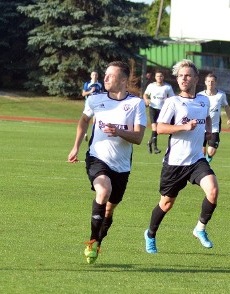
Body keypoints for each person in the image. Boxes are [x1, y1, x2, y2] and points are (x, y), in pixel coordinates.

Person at [68, 61, 147, 264]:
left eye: (110, 76)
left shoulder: (136, 104)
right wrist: (76, 146)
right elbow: (84, 120)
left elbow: (138, 138)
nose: (105, 78)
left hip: (121, 166)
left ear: (123, 80)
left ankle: (99, 240)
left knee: (109, 210)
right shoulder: (95, 99)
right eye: (105, 74)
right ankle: (92, 242)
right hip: (97, 158)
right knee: (103, 191)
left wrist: (118, 131)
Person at [143, 59, 219, 254]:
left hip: (196, 160)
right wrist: (184, 127)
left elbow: (208, 117)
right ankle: (150, 234)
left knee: (213, 190)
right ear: (177, 80)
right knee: (166, 204)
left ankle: (199, 229)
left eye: (187, 75)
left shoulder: (204, 100)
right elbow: (160, 128)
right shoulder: (173, 102)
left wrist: (208, 132)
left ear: (196, 78)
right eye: (180, 76)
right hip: (175, 163)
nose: (183, 79)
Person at [199, 73, 230, 162]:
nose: (210, 83)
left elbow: (226, 106)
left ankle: (208, 158)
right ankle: (202, 165)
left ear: (215, 83)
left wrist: (229, 119)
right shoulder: (200, 95)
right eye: (209, 81)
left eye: (212, 81)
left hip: (214, 126)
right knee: (201, 151)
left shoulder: (221, 95)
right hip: (201, 126)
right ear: (205, 82)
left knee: (211, 151)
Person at [143, 70, 175, 154]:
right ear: (155, 77)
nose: (159, 78)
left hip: (163, 110)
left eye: (161, 76)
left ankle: (150, 142)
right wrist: (146, 99)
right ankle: (155, 148)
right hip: (153, 108)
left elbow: (172, 98)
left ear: (163, 77)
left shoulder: (167, 87)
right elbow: (145, 94)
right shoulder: (151, 86)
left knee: (158, 129)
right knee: (154, 128)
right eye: (157, 76)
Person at [81, 71, 104, 141]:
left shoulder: (100, 84)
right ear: (91, 76)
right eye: (93, 75)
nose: (94, 76)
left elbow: (103, 93)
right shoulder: (87, 84)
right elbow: (83, 94)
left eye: (96, 75)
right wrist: (90, 91)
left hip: (97, 104)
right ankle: (85, 133)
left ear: (97, 76)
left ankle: (93, 135)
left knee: (95, 120)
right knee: (86, 120)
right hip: (89, 104)